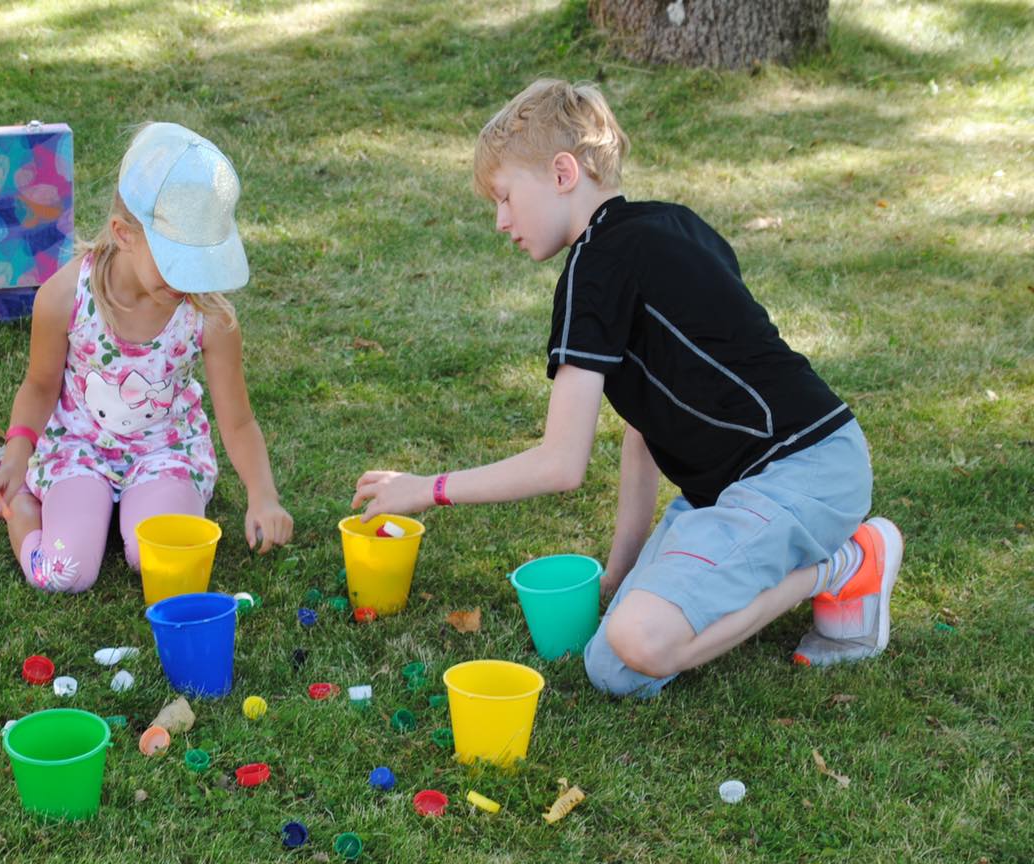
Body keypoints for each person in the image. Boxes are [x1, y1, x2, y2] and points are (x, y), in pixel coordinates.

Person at [351, 79, 903, 697]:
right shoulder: (676, 223)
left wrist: (427, 489)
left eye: (505, 197)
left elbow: (561, 465)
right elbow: (644, 433)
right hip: (736, 487)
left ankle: (845, 562)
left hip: (803, 469)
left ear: (563, 172)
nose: (501, 221)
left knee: (643, 641)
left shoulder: (595, 267)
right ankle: (773, 560)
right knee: (616, 670)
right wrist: (620, 573)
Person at [0, 123, 293, 592]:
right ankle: (25, 499)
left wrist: (263, 496)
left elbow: (238, 422)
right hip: (78, 450)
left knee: (164, 565)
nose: (188, 281)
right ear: (124, 234)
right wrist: (15, 458)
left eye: (198, 264)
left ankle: (120, 510)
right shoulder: (64, 296)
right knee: (64, 576)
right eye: (174, 263)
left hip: (166, 453)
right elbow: (41, 387)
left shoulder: (208, 317)